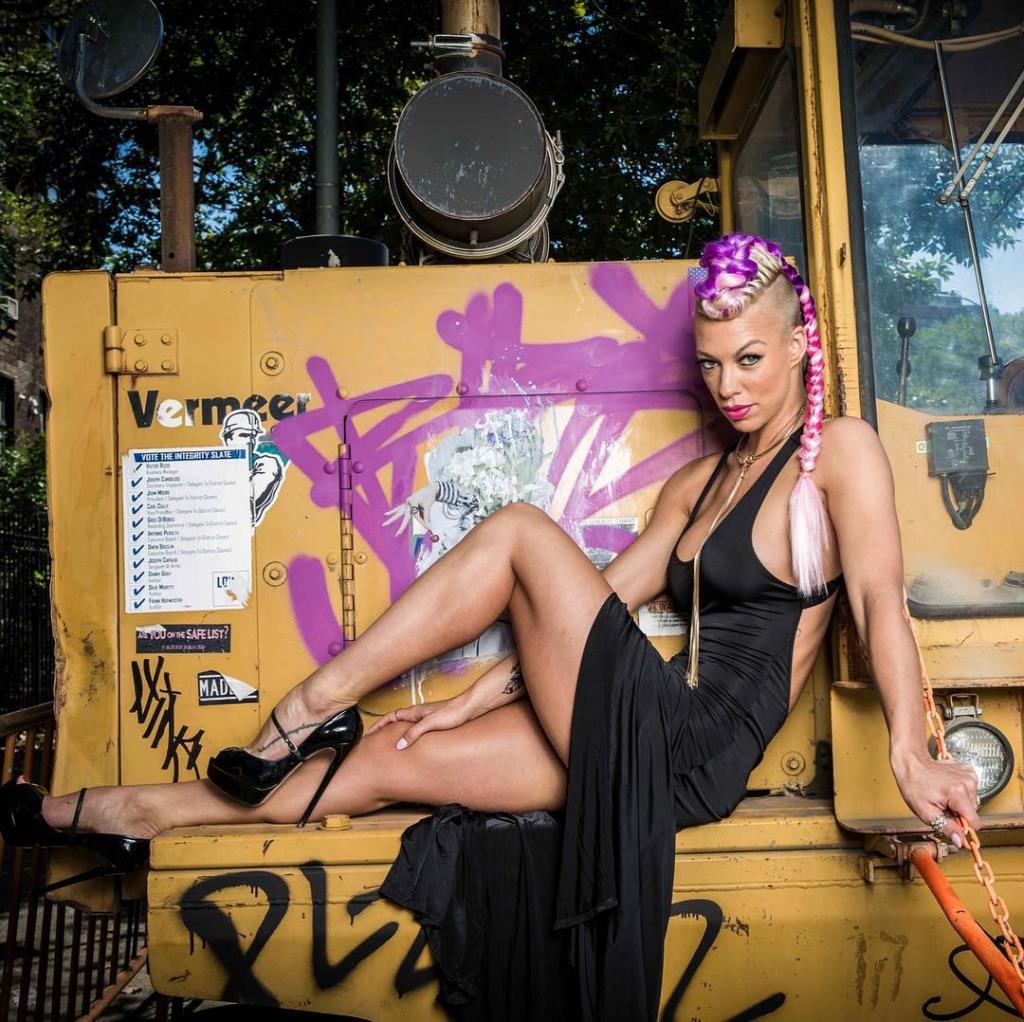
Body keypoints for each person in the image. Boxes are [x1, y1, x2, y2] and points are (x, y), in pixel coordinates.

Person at [1, 233, 981, 1018]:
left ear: (801, 344)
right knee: (387, 753)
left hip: (692, 749)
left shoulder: (838, 455)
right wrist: (464, 704)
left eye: (751, 359)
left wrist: (911, 753)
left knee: (517, 531)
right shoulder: (699, 481)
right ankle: (123, 812)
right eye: (712, 364)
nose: (729, 385)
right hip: (635, 731)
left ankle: (307, 703)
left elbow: (879, 603)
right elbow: (600, 604)